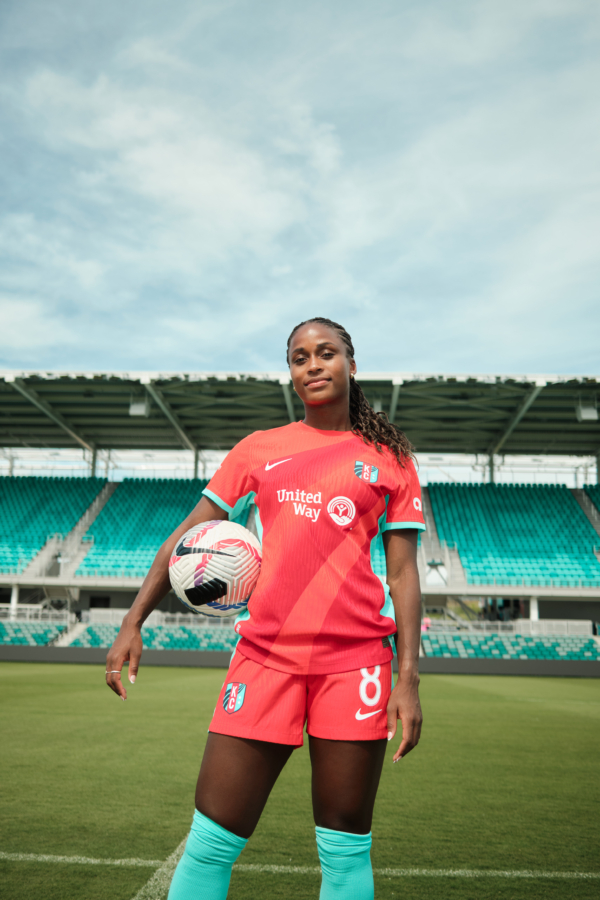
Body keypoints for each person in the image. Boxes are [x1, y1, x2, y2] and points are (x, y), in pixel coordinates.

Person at [106, 317, 425, 900]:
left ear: (351, 363)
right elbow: (187, 537)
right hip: (263, 659)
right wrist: (133, 620)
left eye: (326, 353)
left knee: (345, 850)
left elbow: (403, 574)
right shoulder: (259, 448)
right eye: (300, 357)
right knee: (211, 838)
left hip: (356, 667)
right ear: (291, 373)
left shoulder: (390, 458)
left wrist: (408, 678)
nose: (314, 366)